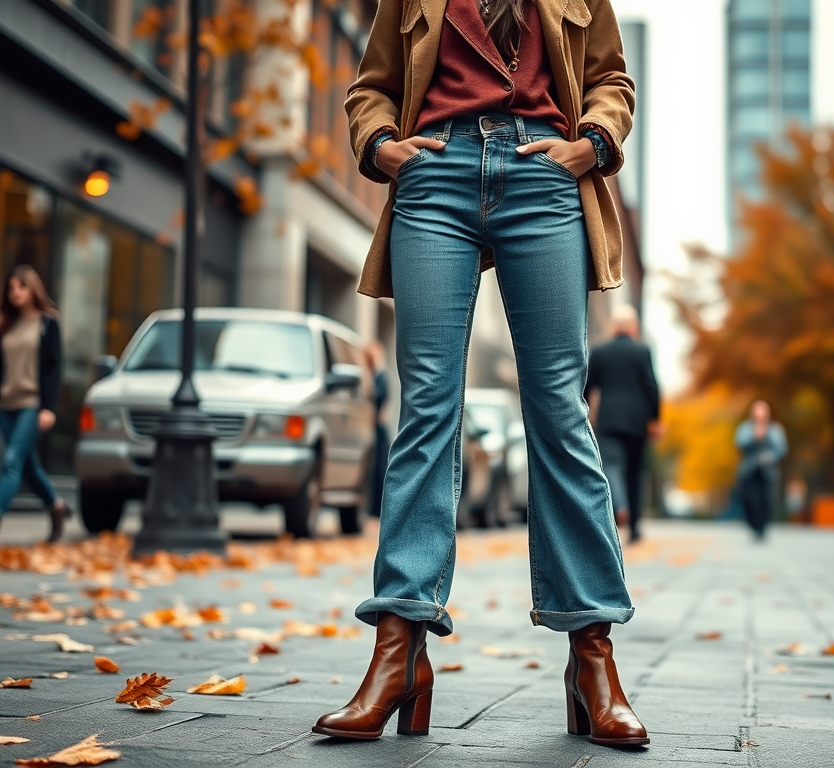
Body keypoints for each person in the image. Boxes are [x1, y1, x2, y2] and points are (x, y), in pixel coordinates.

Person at [313, 0, 648, 749]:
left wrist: (590, 144)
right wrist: (382, 145)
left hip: (544, 174)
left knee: (560, 411)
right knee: (426, 406)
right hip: (436, 175)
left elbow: (611, 80)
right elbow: (371, 85)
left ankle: (592, 658)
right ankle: (398, 650)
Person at [0, 265, 71, 542]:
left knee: (11, 460)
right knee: (28, 465)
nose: (15, 292)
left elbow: (55, 368)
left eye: (21, 286)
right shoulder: (7, 324)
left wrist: (48, 407)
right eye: (11, 288)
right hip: (6, 404)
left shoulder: (48, 322)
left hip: (32, 402)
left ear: (33, 288)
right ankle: (57, 506)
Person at [585, 304, 661, 543]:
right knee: (634, 473)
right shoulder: (642, 351)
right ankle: (635, 528)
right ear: (633, 326)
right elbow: (652, 387)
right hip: (637, 422)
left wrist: (585, 411)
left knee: (612, 467)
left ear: (613, 326)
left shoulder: (600, 352)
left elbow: (588, 385)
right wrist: (655, 420)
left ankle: (619, 505)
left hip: (608, 419)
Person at [734, 400, 787, 540]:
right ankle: (752, 524)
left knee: (765, 500)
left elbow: (781, 449)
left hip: (767, 471)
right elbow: (739, 444)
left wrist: (770, 457)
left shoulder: (775, 429)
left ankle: (761, 528)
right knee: (748, 499)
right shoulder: (745, 428)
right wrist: (754, 436)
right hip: (748, 470)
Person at [364, 340, 390, 518]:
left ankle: (377, 509)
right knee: (373, 470)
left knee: (380, 468)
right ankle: (373, 507)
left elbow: (381, 396)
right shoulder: (374, 375)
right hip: (372, 427)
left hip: (379, 428)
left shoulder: (380, 375)